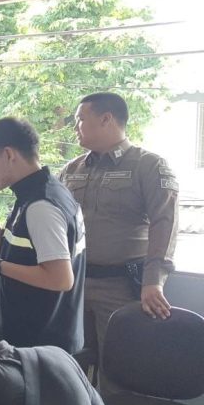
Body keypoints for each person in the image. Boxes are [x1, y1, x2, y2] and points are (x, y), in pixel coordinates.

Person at [61, 92, 179, 365]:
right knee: (69, 366)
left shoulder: (148, 165)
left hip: (122, 287)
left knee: (119, 368)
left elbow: (165, 223)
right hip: (74, 284)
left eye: (80, 119)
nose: (75, 127)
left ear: (106, 119)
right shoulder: (72, 170)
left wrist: (153, 281)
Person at [0, 118, 86, 353]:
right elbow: (9, 251)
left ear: (9, 154)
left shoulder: (41, 205)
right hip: (36, 341)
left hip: (42, 346)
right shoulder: (35, 194)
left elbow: (61, 279)